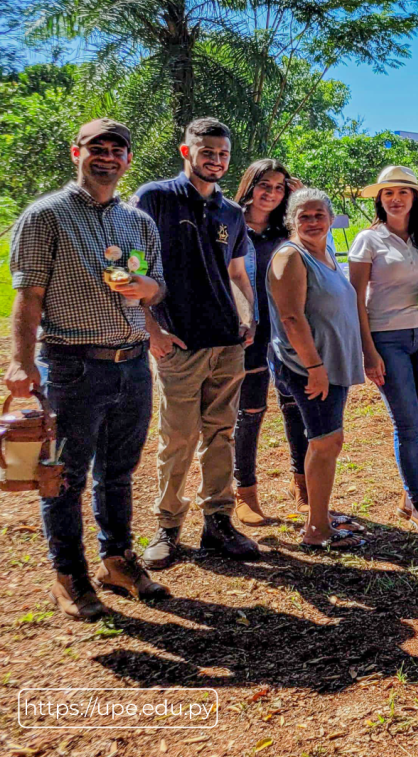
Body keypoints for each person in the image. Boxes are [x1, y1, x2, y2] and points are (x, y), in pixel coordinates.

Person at [4, 119, 170, 620]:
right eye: (97, 148)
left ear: (128, 161)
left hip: (133, 364)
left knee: (119, 473)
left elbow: (156, 286)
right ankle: (68, 576)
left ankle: (117, 561)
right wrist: (19, 359)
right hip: (73, 366)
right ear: (76, 153)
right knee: (64, 478)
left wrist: (146, 289)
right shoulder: (45, 216)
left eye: (117, 150)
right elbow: (28, 295)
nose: (107, 157)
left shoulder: (138, 222)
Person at [134, 118, 259, 569]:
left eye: (223, 154)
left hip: (227, 342)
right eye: (207, 152)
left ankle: (218, 523)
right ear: (186, 151)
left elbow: (238, 273)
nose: (216, 160)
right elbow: (132, 269)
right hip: (179, 343)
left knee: (222, 434)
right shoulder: (156, 199)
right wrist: (152, 330)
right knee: (178, 438)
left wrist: (251, 317)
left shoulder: (232, 213)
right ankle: (167, 527)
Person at [268, 188, 367, 550]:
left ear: (330, 218)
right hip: (310, 365)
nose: (312, 222)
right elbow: (291, 318)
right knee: (326, 442)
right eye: (304, 216)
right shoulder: (290, 257)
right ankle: (317, 531)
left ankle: (319, 516)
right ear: (291, 220)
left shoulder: (324, 254)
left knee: (325, 440)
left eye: (318, 215)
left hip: (329, 362)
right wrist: (314, 366)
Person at [349, 166, 418, 536]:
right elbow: (356, 299)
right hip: (387, 339)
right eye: (388, 193)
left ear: (414, 198)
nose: (395, 198)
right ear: (380, 198)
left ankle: (409, 494)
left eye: (403, 192)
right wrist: (367, 351)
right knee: (406, 421)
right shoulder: (367, 240)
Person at [231, 159, 309, 525]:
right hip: (248, 333)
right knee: (249, 413)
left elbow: (315, 228)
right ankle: (244, 492)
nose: (272, 193)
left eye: (280, 187)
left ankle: (302, 484)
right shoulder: (228, 225)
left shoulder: (285, 232)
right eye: (265, 184)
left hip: (286, 331)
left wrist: (298, 198)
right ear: (249, 185)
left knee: (295, 406)